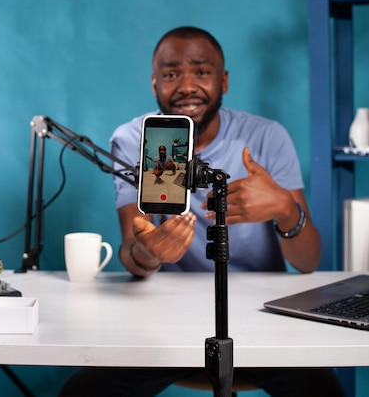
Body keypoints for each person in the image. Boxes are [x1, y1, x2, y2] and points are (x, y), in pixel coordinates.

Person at [59, 26, 346, 397]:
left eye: (202, 71)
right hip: (165, 317)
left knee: (324, 390)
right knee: (82, 393)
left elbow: (308, 261)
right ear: (154, 84)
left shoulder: (266, 137)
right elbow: (131, 248)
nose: (187, 86)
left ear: (223, 80)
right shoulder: (135, 139)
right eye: (171, 74)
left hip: (260, 317)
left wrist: (284, 209)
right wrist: (149, 252)